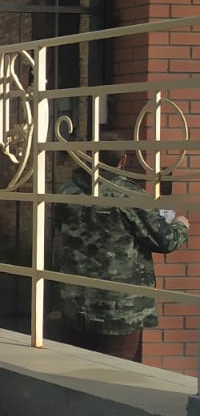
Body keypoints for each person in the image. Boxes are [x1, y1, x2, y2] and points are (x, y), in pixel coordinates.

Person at [54, 132, 189, 361]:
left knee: (72, 367)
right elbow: (165, 240)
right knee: (116, 371)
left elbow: (59, 227)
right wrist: (181, 226)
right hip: (119, 310)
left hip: (76, 305)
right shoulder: (128, 195)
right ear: (123, 160)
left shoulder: (67, 190)